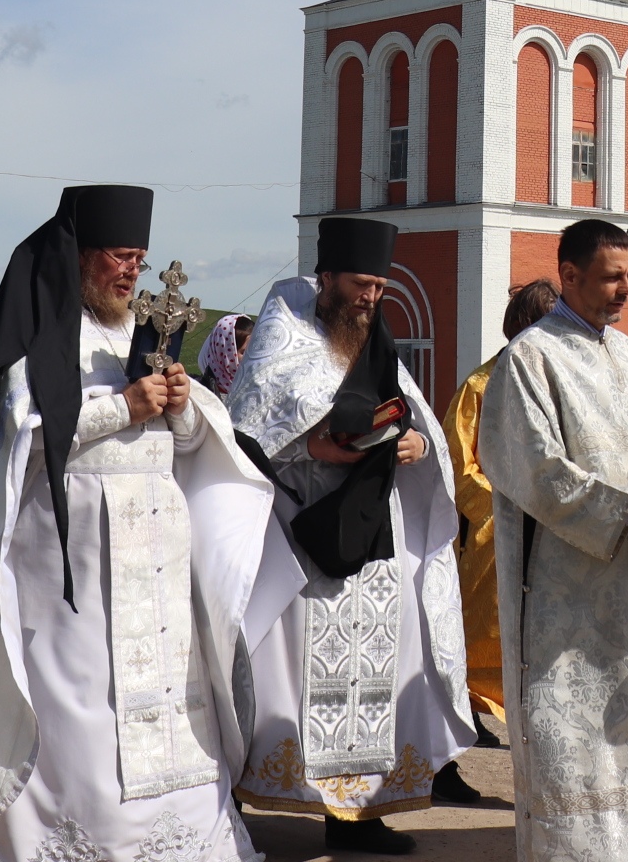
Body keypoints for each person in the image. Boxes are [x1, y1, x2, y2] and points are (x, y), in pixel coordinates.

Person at [0, 184, 281, 862]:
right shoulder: (49, 335)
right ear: (83, 257)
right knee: (83, 708)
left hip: (156, 558)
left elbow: (183, 440)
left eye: (140, 260)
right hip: (70, 564)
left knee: (169, 701)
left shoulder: (146, 333)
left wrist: (179, 405)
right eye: (120, 256)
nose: (133, 273)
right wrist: (124, 406)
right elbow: (21, 439)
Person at [226, 217, 477, 855]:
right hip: (302, 534)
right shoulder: (285, 331)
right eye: (362, 284)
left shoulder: (374, 336)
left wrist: (416, 440)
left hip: (376, 535)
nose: (370, 297)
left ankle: (357, 813)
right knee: (288, 674)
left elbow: (406, 410)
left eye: (380, 287)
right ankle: (240, 791)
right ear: (328, 276)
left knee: (376, 676)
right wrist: (313, 443)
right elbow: (247, 430)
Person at [478, 218, 628, 861]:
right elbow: (530, 467)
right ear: (569, 275)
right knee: (585, 753)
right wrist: (624, 508)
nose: (624, 291)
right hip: (572, 604)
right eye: (612, 277)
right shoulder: (530, 358)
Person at [441, 278, 557, 742]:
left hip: (553, 521)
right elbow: (458, 461)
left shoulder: (558, 385)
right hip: (496, 527)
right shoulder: (480, 384)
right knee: (487, 619)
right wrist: (503, 503)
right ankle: (472, 706)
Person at [197, 313, 253, 396]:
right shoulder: (201, 396)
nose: (251, 357)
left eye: (255, 350)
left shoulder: (259, 389)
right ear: (225, 355)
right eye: (244, 352)